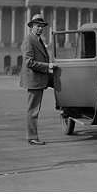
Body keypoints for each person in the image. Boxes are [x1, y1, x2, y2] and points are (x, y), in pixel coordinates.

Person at [20, 14, 57, 145]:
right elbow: (29, 62)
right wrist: (48, 66)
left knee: (61, 83)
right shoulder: (29, 40)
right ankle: (32, 137)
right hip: (34, 79)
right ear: (31, 27)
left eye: (42, 26)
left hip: (40, 77)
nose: (40, 28)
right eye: (37, 26)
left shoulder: (38, 39)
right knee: (33, 110)